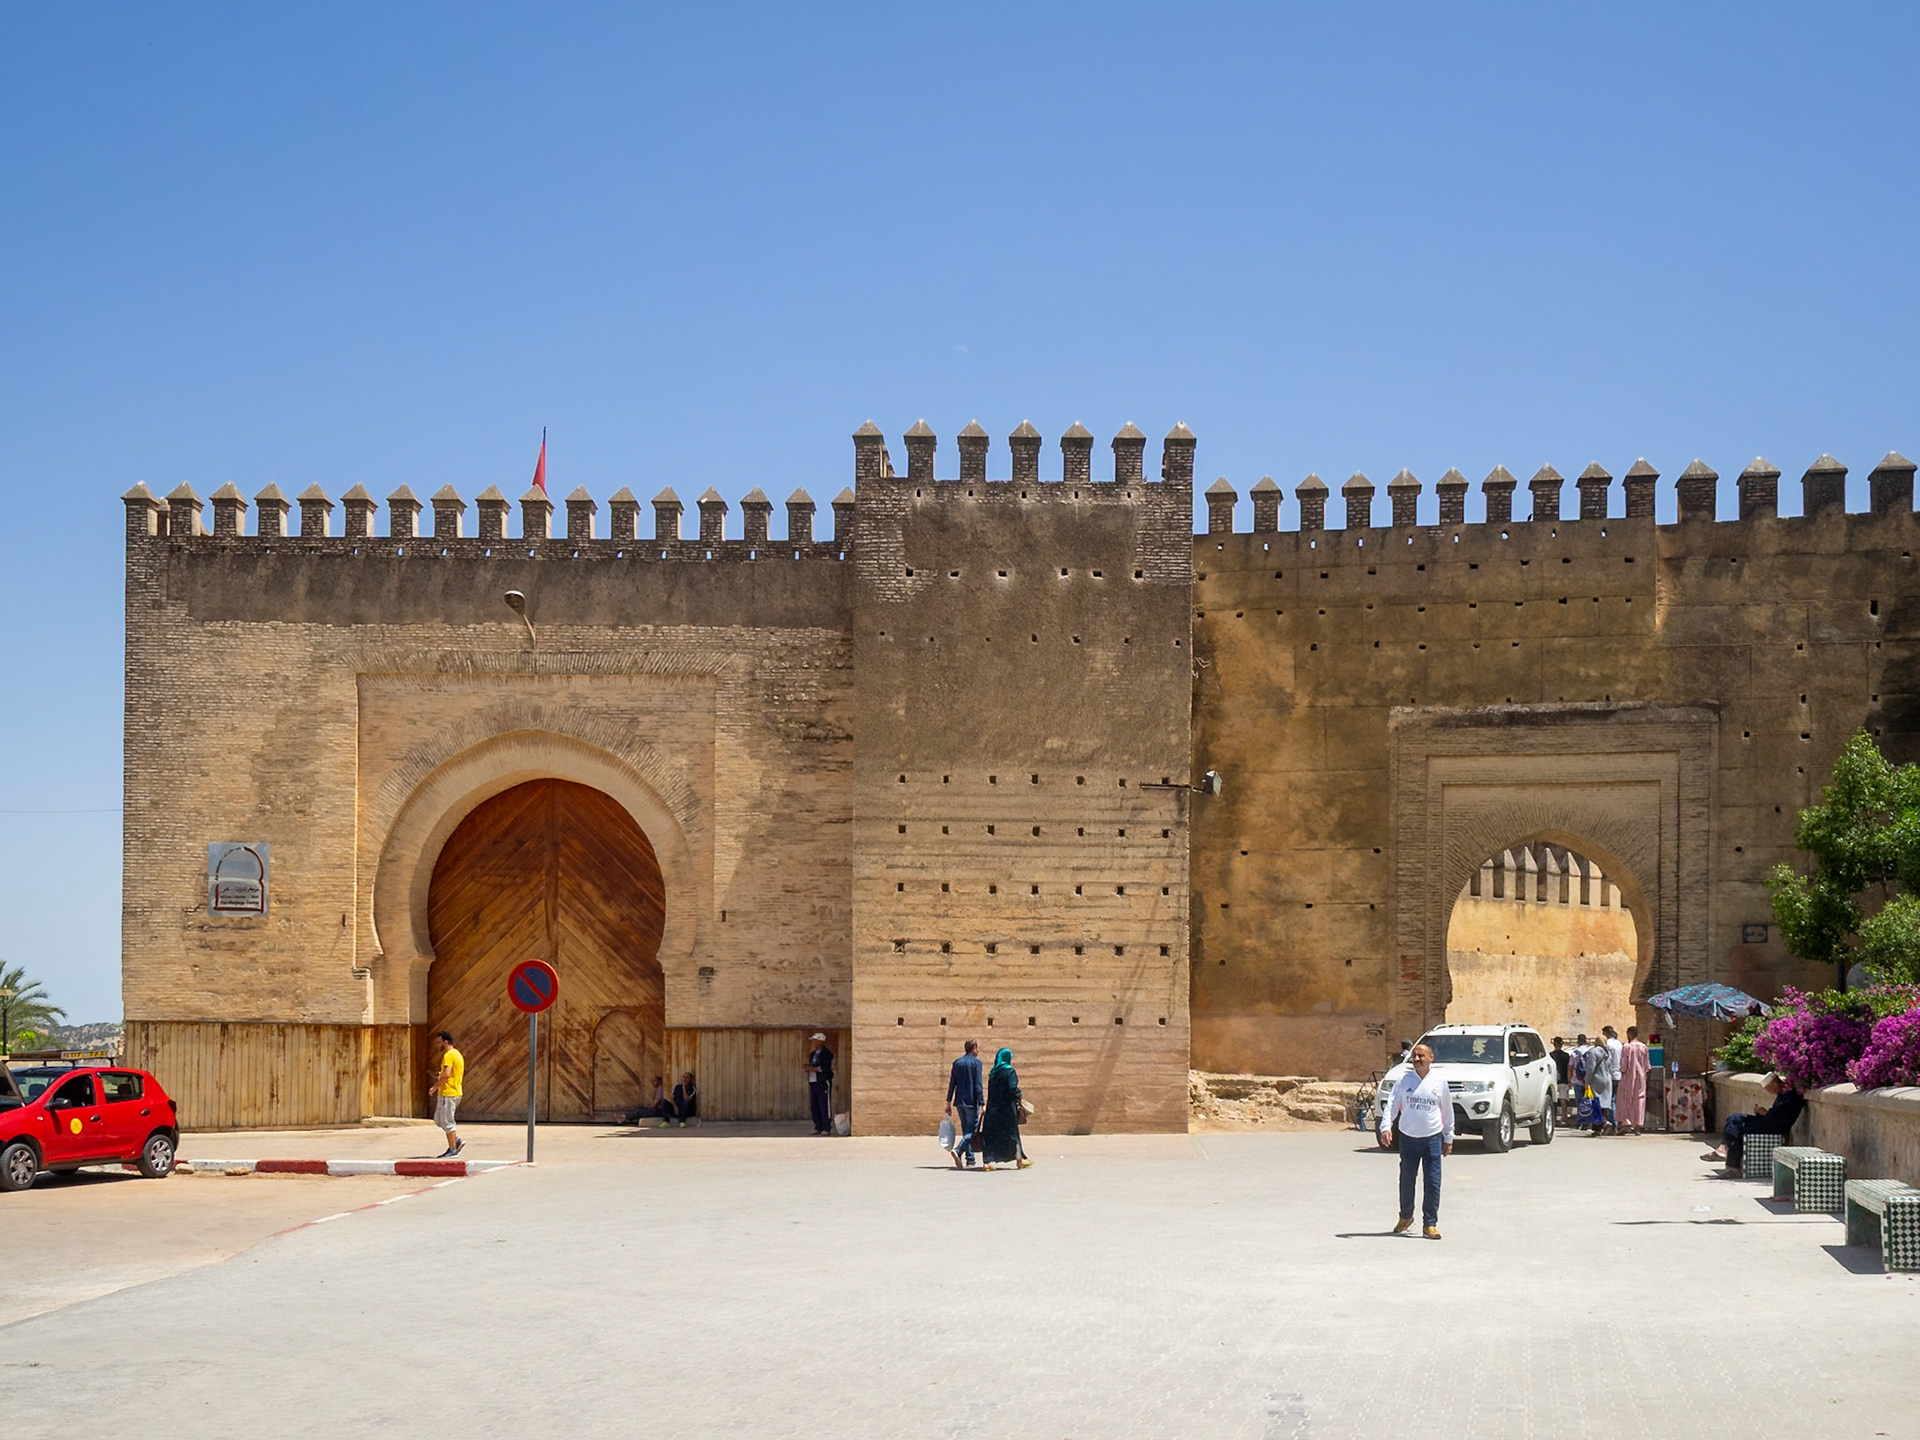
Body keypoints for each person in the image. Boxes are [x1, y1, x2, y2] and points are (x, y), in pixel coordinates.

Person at [1377, 1042, 1453, 1238]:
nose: (1417, 1059)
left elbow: (1447, 1111)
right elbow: (1392, 1105)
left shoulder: (1439, 1082)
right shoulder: (1404, 1081)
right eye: (1415, 1056)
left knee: (1433, 1182)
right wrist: (1386, 1126)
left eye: (1421, 1056)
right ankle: (1406, 1216)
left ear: (1431, 1058)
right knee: (1406, 1180)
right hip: (1409, 1139)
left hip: (1432, 1139)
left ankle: (1430, 1223)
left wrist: (1448, 1137)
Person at [1705, 1072, 1805, 1173]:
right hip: (1768, 1121)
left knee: (1739, 1131)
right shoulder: (1782, 1094)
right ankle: (1724, 1146)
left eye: (1769, 1089)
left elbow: (1779, 1119)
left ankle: (1733, 1166)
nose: (1770, 1092)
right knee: (1735, 1118)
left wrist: (1764, 1112)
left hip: (1774, 1126)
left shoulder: (1790, 1096)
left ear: (1775, 1083)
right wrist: (1762, 1112)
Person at [978, 1047, 1032, 1169]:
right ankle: (1019, 1160)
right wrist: (1019, 1095)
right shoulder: (1009, 1072)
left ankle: (987, 1163)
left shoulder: (993, 1073)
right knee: (1013, 1134)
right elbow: (1012, 1088)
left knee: (991, 1136)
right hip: (1007, 1109)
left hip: (993, 1109)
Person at [945, 1039, 984, 1169]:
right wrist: (982, 1102)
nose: (978, 1051)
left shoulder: (957, 1063)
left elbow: (952, 1084)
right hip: (971, 1102)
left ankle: (970, 1158)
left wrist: (948, 1102)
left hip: (959, 1101)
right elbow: (978, 1085)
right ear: (973, 1048)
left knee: (966, 1129)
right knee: (972, 1130)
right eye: (977, 1048)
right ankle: (958, 1150)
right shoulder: (976, 1063)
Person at [427, 1030, 464, 1158]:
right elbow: (449, 1073)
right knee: (439, 1119)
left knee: (448, 1121)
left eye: (439, 1042)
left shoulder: (448, 1055)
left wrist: (435, 1087)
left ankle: (453, 1149)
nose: (437, 1045)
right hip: (453, 1092)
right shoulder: (457, 1054)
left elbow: (447, 1075)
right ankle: (455, 1139)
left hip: (449, 1092)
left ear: (445, 1042)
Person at [1617, 1026, 1650, 1134]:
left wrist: (1623, 1071)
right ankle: (1638, 1127)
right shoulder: (1643, 1047)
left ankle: (1626, 1123)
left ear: (1629, 1034)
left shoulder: (1627, 1047)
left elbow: (1623, 1065)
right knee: (1640, 1099)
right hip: (1641, 1077)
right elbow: (1647, 1065)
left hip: (1628, 1077)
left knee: (1626, 1099)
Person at [1585, 1034, 1615, 1134]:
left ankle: (1605, 1123)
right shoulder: (1608, 1053)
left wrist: (1587, 1081)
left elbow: (1590, 1068)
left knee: (1596, 1104)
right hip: (1607, 1079)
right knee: (1604, 1105)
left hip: (1597, 1080)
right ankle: (1598, 1129)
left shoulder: (1594, 1052)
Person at [806, 1032, 835, 1135]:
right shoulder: (813, 1054)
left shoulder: (827, 1054)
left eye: (815, 1040)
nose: (813, 1043)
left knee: (824, 1105)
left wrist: (814, 1069)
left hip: (823, 1082)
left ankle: (826, 1127)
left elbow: (826, 1069)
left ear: (820, 1041)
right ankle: (818, 1126)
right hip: (814, 1081)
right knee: (814, 1105)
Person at [1549, 1037, 1573, 1123]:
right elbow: (1569, 1068)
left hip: (1553, 1080)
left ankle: (1552, 1117)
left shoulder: (1550, 1055)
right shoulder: (1566, 1056)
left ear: (1554, 1044)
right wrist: (1569, 1080)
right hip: (1564, 1079)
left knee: (1552, 1100)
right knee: (1563, 1099)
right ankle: (1564, 1116)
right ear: (1562, 1044)